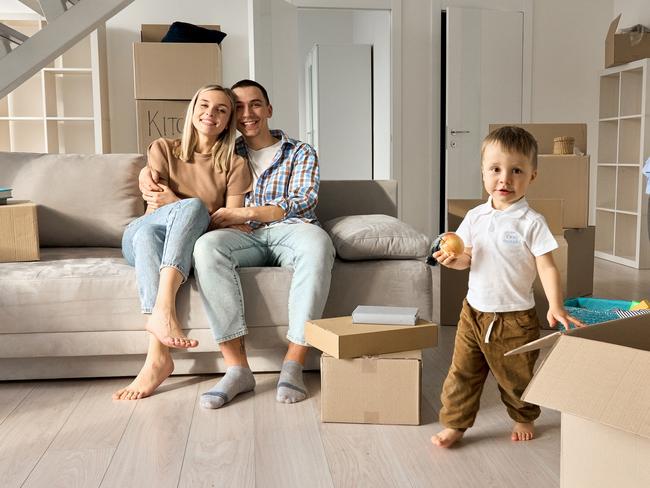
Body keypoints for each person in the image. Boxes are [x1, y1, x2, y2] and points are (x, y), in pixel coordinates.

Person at [139, 79, 336, 408]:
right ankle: (237, 368)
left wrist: (247, 211)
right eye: (239, 107)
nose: (247, 113)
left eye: (255, 104)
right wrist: (146, 170)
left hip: (291, 229)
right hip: (244, 235)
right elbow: (184, 158)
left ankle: (293, 364)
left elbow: (304, 200)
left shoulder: (299, 151)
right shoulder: (225, 152)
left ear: (269, 109)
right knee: (206, 248)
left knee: (318, 243)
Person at [431, 126, 584, 448]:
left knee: (516, 376)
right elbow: (467, 257)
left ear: (532, 176)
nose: (505, 179)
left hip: (515, 318)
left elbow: (547, 265)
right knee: (462, 373)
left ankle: (523, 415)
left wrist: (555, 305)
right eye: (496, 169)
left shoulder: (531, 222)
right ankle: (456, 424)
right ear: (483, 173)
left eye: (516, 171)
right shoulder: (474, 217)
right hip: (473, 313)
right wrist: (452, 260)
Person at [113, 84, 252, 400]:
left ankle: (157, 358)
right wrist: (192, 207)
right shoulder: (162, 148)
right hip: (138, 233)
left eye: (221, 110)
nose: (210, 114)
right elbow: (154, 208)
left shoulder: (235, 164)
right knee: (165, 222)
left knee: (177, 219)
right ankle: (164, 310)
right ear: (193, 110)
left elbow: (228, 219)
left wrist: (179, 201)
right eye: (204, 105)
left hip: (168, 242)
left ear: (229, 120)